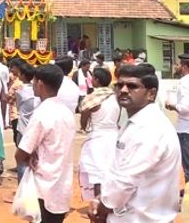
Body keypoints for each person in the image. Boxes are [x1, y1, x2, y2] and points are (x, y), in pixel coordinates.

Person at [90, 64, 181, 222]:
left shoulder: (150, 128)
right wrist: (102, 199)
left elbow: (125, 182)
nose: (123, 90)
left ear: (151, 94)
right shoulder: (135, 122)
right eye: (119, 85)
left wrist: (103, 207)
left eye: (132, 86)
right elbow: (118, 171)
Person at [15, 64, 76, 223]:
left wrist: (27, 159)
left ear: (40, 83)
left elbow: (22, 152)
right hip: (62, 185)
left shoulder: (42, 113)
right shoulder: (66, 112)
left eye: (34, 81)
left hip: (43, 187)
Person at [77, 67, 119, 200]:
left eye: (93, 77)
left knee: (98, 174)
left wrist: (84, 127)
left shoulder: (92, 98)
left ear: (97, 80)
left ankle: (98, 202)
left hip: (97, 138)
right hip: (114, 135)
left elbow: (83, 119)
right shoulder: (116, 97)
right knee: (112, 170)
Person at [166, 52, 189, 182]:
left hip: (185, 130)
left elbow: (185, 108)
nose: (177, 66)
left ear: (185, 66)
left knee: (186, 167)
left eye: (179, 64)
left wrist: (172, 105)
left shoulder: (184, 82)